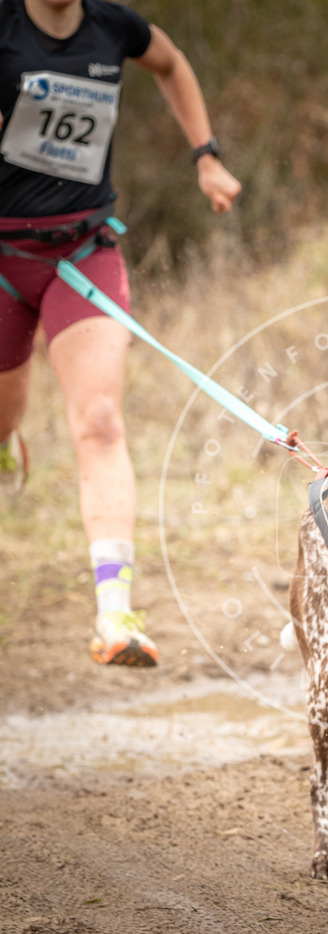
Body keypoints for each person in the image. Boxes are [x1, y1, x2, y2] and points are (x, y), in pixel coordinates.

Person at [0, 0, 242, 666]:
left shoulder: (114, 27)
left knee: (100, 420)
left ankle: (116, 614)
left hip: (84, 251)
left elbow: (171, 63)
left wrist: (206, 156)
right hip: (2, 259)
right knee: (4, 412)